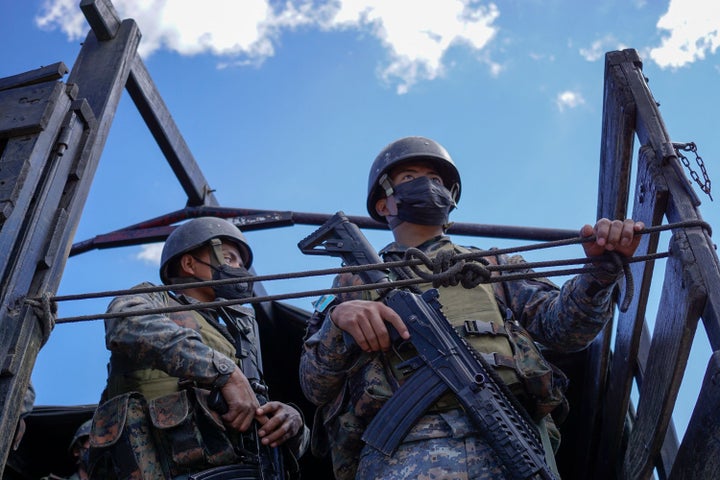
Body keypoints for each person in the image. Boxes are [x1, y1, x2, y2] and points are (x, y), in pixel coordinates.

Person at [299, 136, 644, 479]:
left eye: (436, 181)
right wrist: (338, 323)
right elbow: (314, 385)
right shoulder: (355, 280)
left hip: (510, 440)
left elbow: (567, 331)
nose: (427, 186)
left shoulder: (493, 265)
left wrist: (600, 271)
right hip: (402, 452)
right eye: (410, 177)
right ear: (383, 204)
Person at [88, 216, 309, 480]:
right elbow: (126, 323)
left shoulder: (241, 335)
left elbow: (259, 416)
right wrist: (223, 371)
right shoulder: (155, 299)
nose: (239, 269)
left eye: (241, 263)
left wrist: (293, 425)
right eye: (229, 259)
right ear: (189, 264)